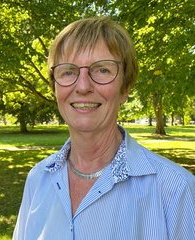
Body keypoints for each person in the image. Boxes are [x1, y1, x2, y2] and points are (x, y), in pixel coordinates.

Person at [13, 16, 195, 239]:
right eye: (68, 71)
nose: (82, 86)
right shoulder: (37, 179)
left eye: (102, 70)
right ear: (55, 87)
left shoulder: (176, 190)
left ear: (125, 88)